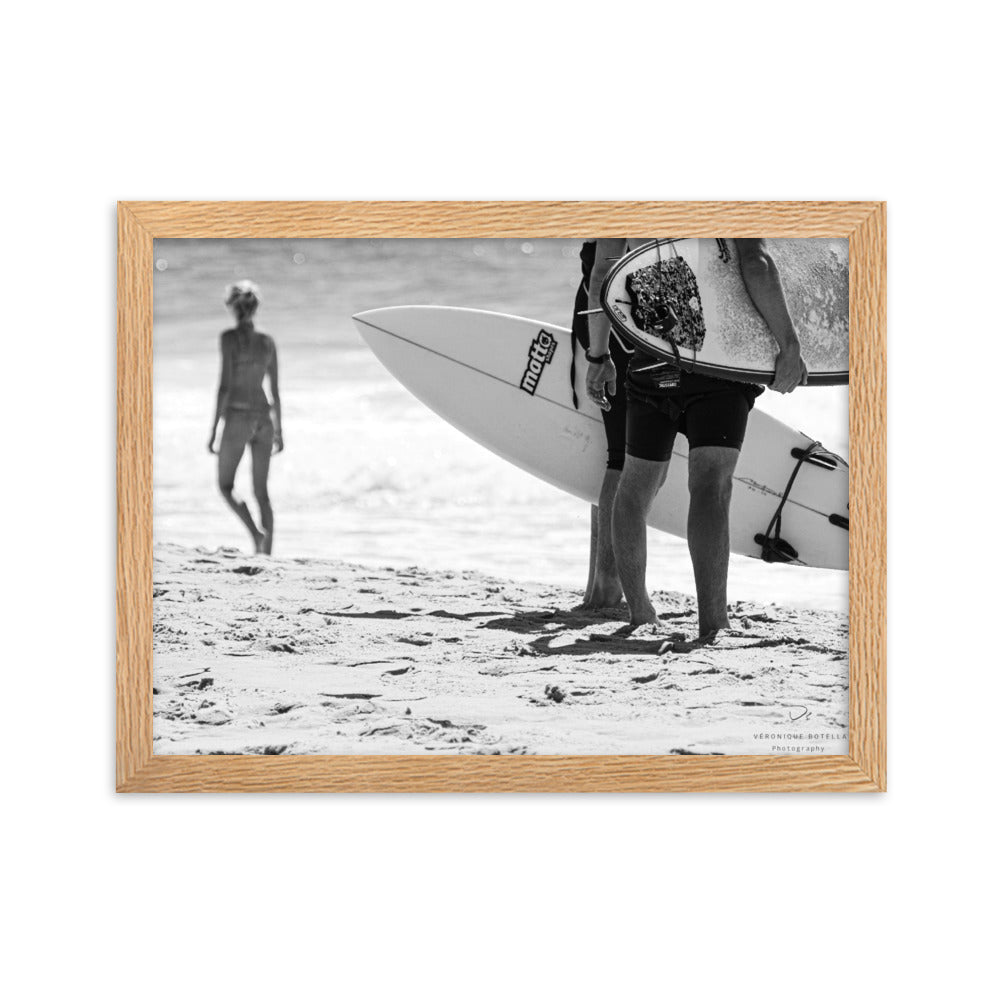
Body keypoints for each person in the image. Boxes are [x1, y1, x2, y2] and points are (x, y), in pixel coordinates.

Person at [585, 239, 807, 639]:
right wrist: (788, 344)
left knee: (635, 485)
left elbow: (603, 275)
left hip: (651, 356)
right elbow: (755, 264)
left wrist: (598, 357)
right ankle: (712, 621)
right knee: (710, 485)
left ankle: (640, 613)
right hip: (717, 360)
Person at [572, 238, 655, 609]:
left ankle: (599, 583)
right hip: (614, 320)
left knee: (614, 453)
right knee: (622, 457)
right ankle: (607, 584)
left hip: (603, 313)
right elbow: (606, 268)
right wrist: (599, 353)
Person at [207, 280, 284, 554]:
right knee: (262, 493)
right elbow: (274, 391)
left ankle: (256, 533)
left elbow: (225, 387)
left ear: (232, 307)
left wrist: (214, 429)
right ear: (255, 307)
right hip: (264, 419)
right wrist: (279, 430)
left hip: (238, 418)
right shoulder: (267, 342)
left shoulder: (228, 339)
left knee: (226, 486)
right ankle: (267, 556)